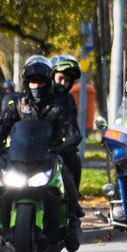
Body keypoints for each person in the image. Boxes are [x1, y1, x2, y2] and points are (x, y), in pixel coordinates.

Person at [0, 56, 83, 251]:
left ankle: (72, 217)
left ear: (47, 83)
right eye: (32, 81)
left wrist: (67, 143)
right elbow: (3, 126)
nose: (36, 86)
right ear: (26, 83)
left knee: (68, 168)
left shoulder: (60, 103)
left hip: (50, 155)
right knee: (2, 181)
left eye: (40, 81)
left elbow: (71, 130)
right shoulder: (17, 104)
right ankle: (1, 225)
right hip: (20, 156)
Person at [49, 54, 84, 189]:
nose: (63, 83)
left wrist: (67, 143)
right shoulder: (36, 96)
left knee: (74, 159)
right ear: (51, 77)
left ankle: (74, 203)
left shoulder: (68, 100)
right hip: (31, 147)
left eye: (67, 80)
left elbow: (70, 125)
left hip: (56, 148)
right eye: (60, 78)